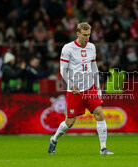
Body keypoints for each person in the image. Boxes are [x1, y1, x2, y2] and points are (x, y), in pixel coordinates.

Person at [48, 22, 114, 155]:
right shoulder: (68, 48)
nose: (87, 38)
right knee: (70, 122)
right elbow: (63, 70)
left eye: (89, 35)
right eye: (84, 35)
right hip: (75, 90)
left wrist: (98, 87)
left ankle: (103, 148)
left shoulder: (92, 47)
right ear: (77, 33)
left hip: (90, 88)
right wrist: (71, 84)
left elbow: (94, 68)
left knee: (99, 113)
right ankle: (54, 139)